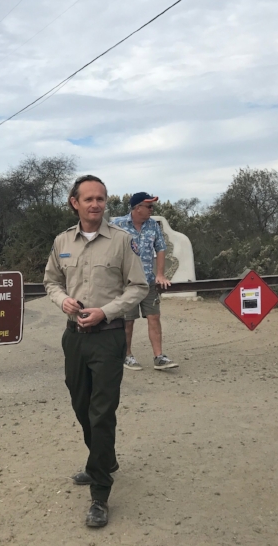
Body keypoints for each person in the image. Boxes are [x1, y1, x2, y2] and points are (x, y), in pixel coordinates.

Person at [43, 175, 149, 528]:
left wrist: (107, 311)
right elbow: (51, 281)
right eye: (88, 198)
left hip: (108, 337)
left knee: (102, 412)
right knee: (81, 405)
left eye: (101, 199)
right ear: (75, 202)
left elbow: (139, 287)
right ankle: (102, 461)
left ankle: (101, 492)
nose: (96, 204)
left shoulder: (122, 242)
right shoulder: (62, 241)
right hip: (74, 337)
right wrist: (63, 301)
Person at [112, 192, 178, 371]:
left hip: (148, 281)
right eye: (149, 206)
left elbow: (161, 248)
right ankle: (127, 355)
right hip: (127, 284)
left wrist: (161, 274)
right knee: (128, 320)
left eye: (152, 207)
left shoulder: (153, 226)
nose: (152, 210)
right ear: (137, 208)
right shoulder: (117, 225)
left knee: (154, 317)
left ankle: (159, 357)